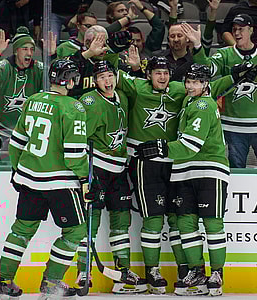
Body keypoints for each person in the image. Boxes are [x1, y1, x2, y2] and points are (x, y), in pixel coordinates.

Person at [0, 59, 88, 299]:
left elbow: (16, 142)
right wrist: (86, 178)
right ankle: (51, 282)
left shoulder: (33, 100)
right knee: (76, 231)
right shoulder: (73, 107)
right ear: (69, 80)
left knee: (21, 230)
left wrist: (17, 170)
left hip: (29, 178)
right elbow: (75, 154)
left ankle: (3, 281)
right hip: (59, 182)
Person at [135, 64, 233, 296]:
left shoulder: (202, 105)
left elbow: (191, 145)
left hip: (209, 169)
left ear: (206, 84)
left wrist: (161, 148)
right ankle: (197, 273)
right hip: (183, 171)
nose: (190, 86)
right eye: (188, 81)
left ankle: (217, 274)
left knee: (212, 224)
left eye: (196, 82)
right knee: (186, 224)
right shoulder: (190, 101)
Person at [117, 52, 188, 294]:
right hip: (145, 163)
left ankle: (184, 270)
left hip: (174, 162)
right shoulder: (138, 87)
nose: (162, 76)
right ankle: (152, 270)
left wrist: (233, 75)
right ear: (148, 75)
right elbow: (107, 76)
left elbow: (208, 85)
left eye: (166, 72)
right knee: (154, 219)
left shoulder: (179, 89)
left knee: (177, 219)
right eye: (158, 72)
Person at [75, 61, 147, 294]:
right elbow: (78, 137)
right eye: (101, 77)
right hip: (97, 168)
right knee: (91, 220)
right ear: (94, 80)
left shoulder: (122, 98)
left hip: (120, 169)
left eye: (110, 76)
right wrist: (83, 173)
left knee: (121, 222)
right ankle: (83, 271)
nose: (107, 81)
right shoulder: (90, 102)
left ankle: (122, 274)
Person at [186, 14, 257, 168]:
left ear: (251, 30)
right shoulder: (225, 54)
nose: (237, 33)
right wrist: (197, 45)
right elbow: (206, 70)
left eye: (241, 29)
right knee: (235, 170)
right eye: (234, 30)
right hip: (234, 126)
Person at [0, 26, 56, 160]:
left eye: (32, 49)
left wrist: (51, 56)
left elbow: (56, 81)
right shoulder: (4, 66)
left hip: (27, 129)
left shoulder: (38, 68)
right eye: (25, 49)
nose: (29, 53)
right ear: (16, 51)